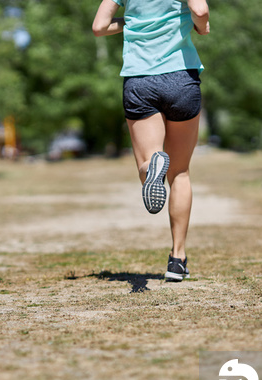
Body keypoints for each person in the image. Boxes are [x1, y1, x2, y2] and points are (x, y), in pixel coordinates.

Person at [93, 0, 210, 282]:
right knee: (180, 172)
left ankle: (151, 166)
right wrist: (201, 27)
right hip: (181, 78)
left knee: (147, 166)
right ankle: (177, 259)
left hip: (140, 81)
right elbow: (201, 12)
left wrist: (129, 22)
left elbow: (98, 27)